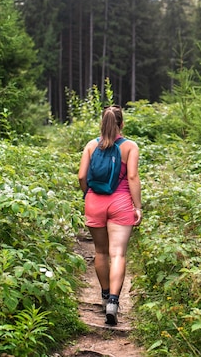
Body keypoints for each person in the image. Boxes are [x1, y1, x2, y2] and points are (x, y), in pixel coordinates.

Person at [78, 105, 142, 326]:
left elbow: (81, 176)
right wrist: (138, 206)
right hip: (121, 203)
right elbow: (132, 177)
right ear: (121, 123)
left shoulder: (90, 145)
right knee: (118, 254)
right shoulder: (130, 147)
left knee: (100, 252)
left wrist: (88, 194)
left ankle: (105, 297)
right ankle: (114, 302)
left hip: (94, 201)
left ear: (102, 123)